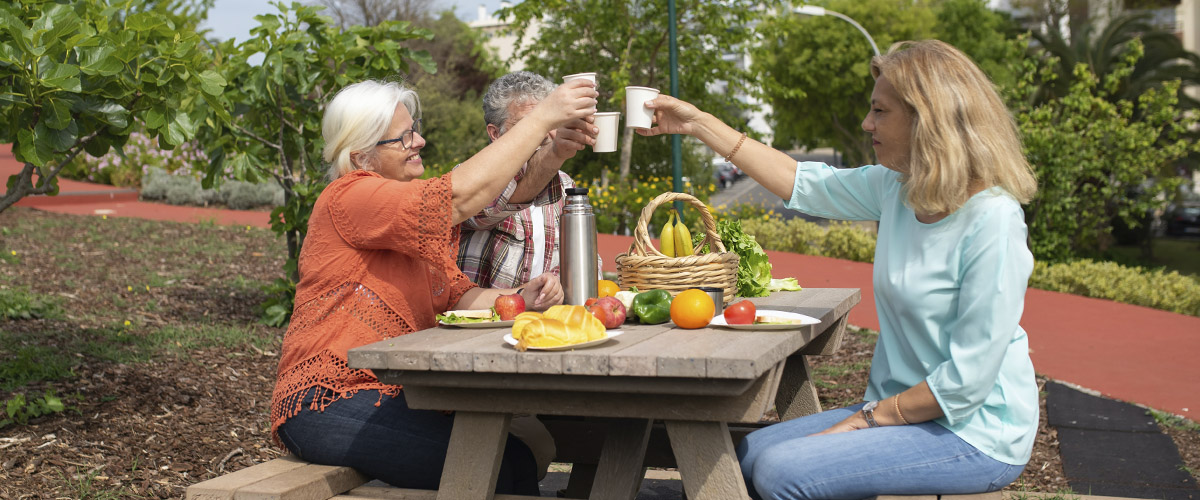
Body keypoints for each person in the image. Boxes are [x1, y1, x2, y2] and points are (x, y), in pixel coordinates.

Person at [638, 40, 1039, 498]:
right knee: (744, 457)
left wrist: (865, 420)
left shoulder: (993, 220)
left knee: (783, 472)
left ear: (928, 119)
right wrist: (698, 124)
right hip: (900, 409)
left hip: (975, 431)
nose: (867, 123)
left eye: (880, 111)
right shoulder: (898, 189)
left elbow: (966, 383)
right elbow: (801, 182)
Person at [270, 78, 598, 495]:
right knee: (491, 468)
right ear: (362, 155)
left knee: (514, 460)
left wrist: (520, 299)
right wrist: (543, 117)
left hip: (388, 394)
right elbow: (461, 198)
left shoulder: (399, 210)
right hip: (327, 399)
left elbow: (457, 295)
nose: (419, 141)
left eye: (415, 129)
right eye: (404, 137)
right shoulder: (350, 196)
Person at [457, 71, 599, 288]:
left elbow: (589, 263)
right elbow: (485, 211)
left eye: (550, 123)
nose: (543, 134)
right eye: (530, 124)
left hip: (545, 321)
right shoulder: (468, 178)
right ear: (495, 133)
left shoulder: (566, 185)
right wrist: (557, 153)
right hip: (482, 319)